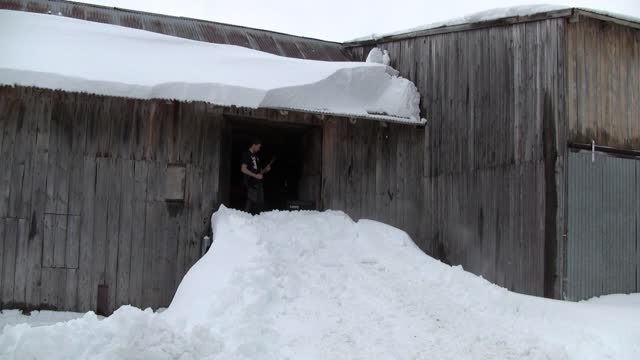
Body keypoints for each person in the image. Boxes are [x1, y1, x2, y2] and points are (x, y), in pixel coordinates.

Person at [241, 138, 271, 214]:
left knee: (260, 203)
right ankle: (244, 218)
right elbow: (243, 169)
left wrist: (265, 170)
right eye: (258, 146)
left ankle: (258, 221)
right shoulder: (246, 154)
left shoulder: (257, 157)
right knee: (251, 202)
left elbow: (259, 172)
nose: (259, 149)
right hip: (251, 183)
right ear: (254, 145)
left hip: (259, 183)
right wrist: (256, 176)